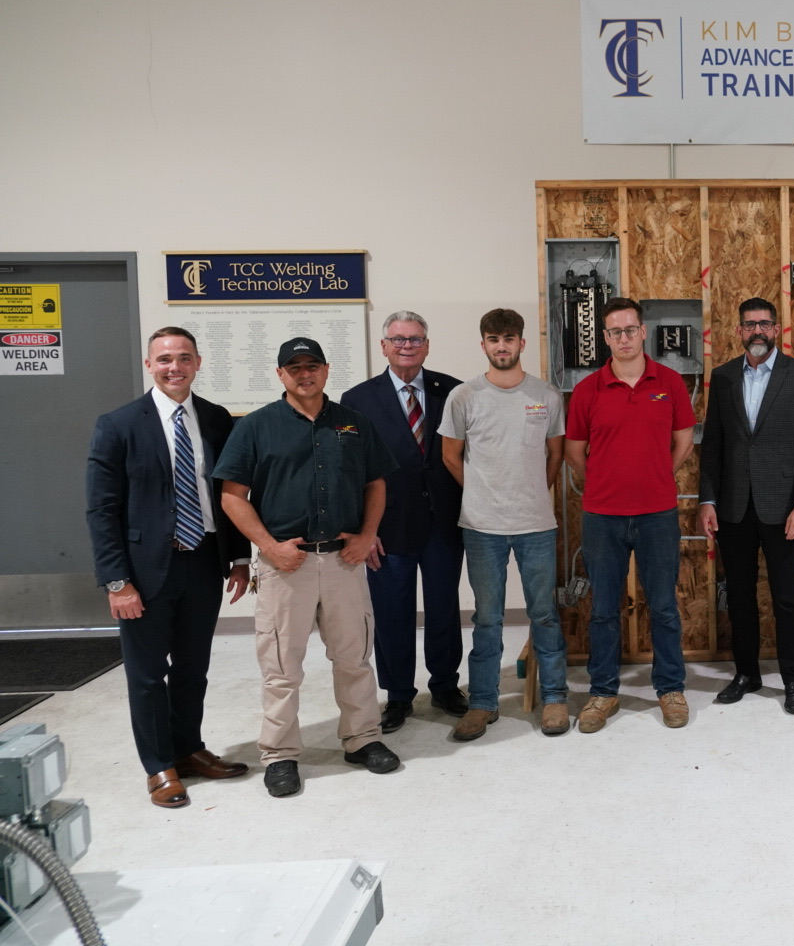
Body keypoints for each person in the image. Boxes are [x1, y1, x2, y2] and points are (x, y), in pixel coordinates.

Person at [214, 337, 400, 798]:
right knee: (281, 666)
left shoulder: (354, 424)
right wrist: (269, 547)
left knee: (354, 657)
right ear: (280, 374)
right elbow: (232, 496)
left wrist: (366, 534)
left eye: (312, 365)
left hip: (343, 560)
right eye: (293, 367)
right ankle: (280, 755)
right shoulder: (256, 427)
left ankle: (362, 740)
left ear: (326, 369)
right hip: (286, 566)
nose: (304, 374)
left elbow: (376, 483)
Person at [85, 327, 252, 809]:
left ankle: (189, 750)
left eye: (183, 358)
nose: (173, 367)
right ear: (148, 365)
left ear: (198, 363)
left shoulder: (219, 419)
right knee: (146, 674)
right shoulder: (117, 425)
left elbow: (231, 495)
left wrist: (239, 557)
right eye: (164, 359)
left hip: (203, 561)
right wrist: (117, 581)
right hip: (142, 571)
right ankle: (159, 766)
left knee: (193, 669)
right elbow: (101, 509)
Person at [565, 297, 696, 733]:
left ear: (643, 332)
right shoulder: (588, 390)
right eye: (614, 332)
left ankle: (670, 689)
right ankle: (603, 692)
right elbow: (575, 452)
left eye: (629, 330)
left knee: (662, 607)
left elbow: (683, 443)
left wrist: (656, 475)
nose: (623, 338)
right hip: (603, 515)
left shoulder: (670, 383)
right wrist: (606, 481)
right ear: (605, 338)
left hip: (657, 513)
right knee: (603, 609)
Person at [438, 309, 567, 740]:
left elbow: (555, 456)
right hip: (481, 526)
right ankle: (482, 703)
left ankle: (554, 698)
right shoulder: (463, 397)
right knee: (488, 617)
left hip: (535, 524)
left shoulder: (546, 396)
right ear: (483, 345)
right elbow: (450, 457)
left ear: (522, 343)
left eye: (509, 339)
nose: (502, 346)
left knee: (544, 614)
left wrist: (530, 491)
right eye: (493, 339)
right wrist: (481, 490)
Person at [339, 310, 466, 734]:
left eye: (415, 339)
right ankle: (397, 695)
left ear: (426, 345)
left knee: (445, 608)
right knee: (392, 614)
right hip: (387, 526)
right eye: (398, 339)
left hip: (445, 522)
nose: (406, 346)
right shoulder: (358, 399)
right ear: (384, 346)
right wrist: (363, 530)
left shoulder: (451, 390)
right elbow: (350, 469)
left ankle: (446, 685)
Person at [698, 297, 794, 715]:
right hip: (733, 507)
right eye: (749, 325)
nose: (757, 332)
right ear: (738, 331)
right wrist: (707, 499)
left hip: (783, 507)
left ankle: (793, 680)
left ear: (776, 329)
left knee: (786, 597)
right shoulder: (724, 377)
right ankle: (747, 673)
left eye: (764, 325)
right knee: (739, 596)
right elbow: (712, 446)